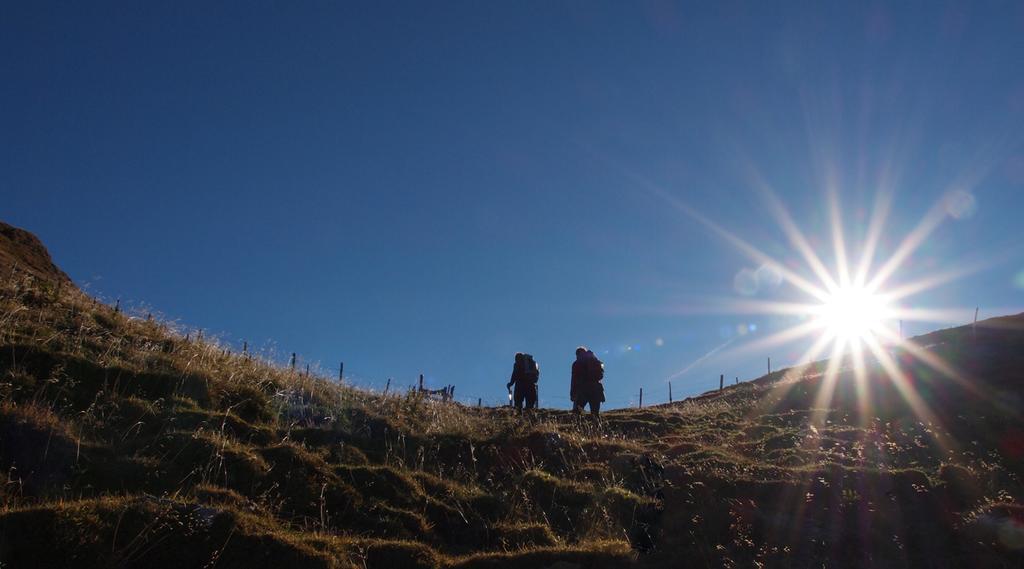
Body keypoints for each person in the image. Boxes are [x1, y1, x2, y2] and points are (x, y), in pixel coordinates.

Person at [570, 346, 604, 417]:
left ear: (577, 354)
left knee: (576, 413)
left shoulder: (576, 363)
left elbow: (574, 380)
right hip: (596, 389)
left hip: (582, 390)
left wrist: (572, 394)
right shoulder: (594, 360)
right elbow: (600, 375)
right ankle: (597, 427)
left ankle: (577, 426)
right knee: (595, 414)